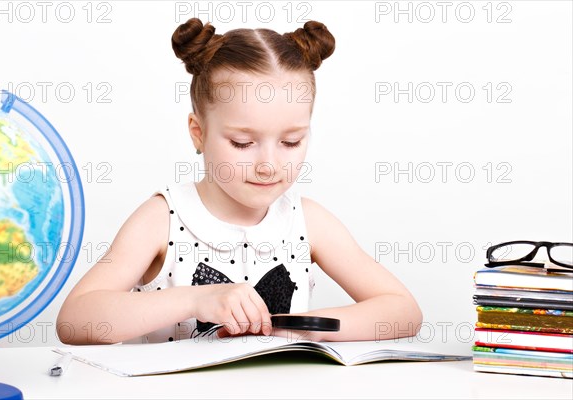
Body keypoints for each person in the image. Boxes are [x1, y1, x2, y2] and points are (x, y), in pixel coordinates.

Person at [57, 17, 423, 345]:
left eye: (291, 142)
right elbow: (75, 320)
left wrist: (296, 326)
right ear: (198, 133)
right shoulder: (162, 219)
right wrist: (196, 299)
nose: (268, 165)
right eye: (243, 143)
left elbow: (403, 312)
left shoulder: (307, 221)